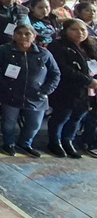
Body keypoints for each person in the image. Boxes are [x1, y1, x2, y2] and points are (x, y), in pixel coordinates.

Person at [0, 25, 61, 157]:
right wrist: (4, 84)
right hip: (10, 93)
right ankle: (8, 144)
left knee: (34, 124)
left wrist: (45, 90)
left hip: (36, 95)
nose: (23, 36)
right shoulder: (4, 50)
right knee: (9, 122)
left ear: (34, 36)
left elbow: (55, 74)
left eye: (27, 34)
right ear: (14, 35)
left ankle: (25, 144)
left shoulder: (44, 53)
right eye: (19, 33)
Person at [46, 20, 97, 158]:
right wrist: (88, 81)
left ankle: (68, 140)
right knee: (62, 116)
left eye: (83, 30)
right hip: (66, 88)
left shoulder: (90, 45)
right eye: (74, 29)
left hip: (86, 91)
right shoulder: (57, 45)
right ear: (66, 30)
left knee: (77, 117)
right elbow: (63, 69)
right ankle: (54, 142)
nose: (80, 33)